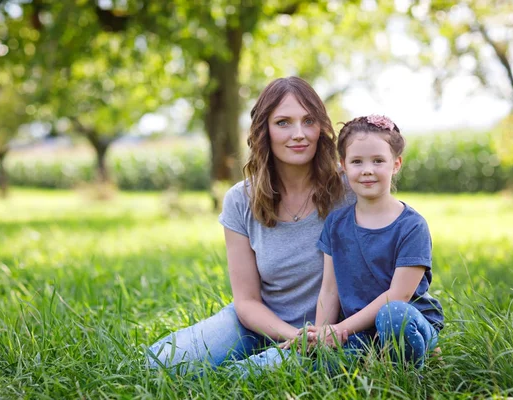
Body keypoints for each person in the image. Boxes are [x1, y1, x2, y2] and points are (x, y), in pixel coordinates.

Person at [147, 76, 350, 372]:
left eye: (309, 121)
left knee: (240, 380)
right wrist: (293, 336)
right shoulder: (240, 200)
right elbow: (247, 301)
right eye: (283, 122)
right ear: (264, 130)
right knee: (161, 364)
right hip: (258, 322)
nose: (299, 134)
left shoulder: (349, 191)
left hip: (330, 331)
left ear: (321, 127)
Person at [306, 114, 444, 367]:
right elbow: (329, 289)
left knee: (393, 316)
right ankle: (375, 362)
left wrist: (340, 329)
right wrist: (323, 335)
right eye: (357, 161)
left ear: (396, 164)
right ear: (343, 166)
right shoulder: (336, 225)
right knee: (323, 367)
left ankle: (414, 365)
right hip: (359, 332)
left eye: (378, 161)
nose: (367, 169)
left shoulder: (412, 226)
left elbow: (399, 294)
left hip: (403, 321)